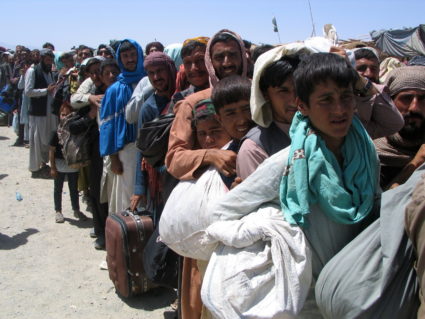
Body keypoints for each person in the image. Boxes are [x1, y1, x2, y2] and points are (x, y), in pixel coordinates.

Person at [207, 53, 380, 315]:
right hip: (309, 299)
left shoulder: (366, 153)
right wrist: (272, 225)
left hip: (357, 285)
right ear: (303, 106)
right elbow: (221, 213)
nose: (339, 110)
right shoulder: (287, 165)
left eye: (345, 97)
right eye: (325, 100)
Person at [165, 29, 247, 181]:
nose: (227, 62)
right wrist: (210, 155)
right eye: (219, 57)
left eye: (233, 55)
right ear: (210, 62)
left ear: (243, 57)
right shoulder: (192, 103)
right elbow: (174, 159)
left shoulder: (257, 93)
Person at [99, 39, 145, 213]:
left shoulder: (150, 81)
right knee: (128, 196)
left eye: (133, 55)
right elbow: (107, 128)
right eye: (125, 56)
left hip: (150, 148)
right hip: (127, 151)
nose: (130, 59)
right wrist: (114, 159)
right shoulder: (114, 90)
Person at [130, 51, 177, 217]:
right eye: (151, 73)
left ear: (170, 69)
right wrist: (139, 188)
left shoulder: (183, 97)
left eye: (160, 71)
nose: (156, 77)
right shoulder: (148, 108)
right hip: (162, 177)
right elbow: (142, 150)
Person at [374, 65, 425, 189]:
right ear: (390, 102)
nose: (414, 108)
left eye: (423, 99)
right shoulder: (370, 153)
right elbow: (375, 205)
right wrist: (416, 162)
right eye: (406, 98)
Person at [49, 103, 87, 223]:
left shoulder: (76, 131)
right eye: (63, 114)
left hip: (73, 165)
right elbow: (51, 151)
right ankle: (58, 211)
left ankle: (76, 210)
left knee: (74, 189)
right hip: (59, 165)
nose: (65, 117)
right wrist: (53, 167)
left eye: (68, 114)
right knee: (58, 189)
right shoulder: (56, 132)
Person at [25, 48, 59, 178]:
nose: (49, 62)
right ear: (42, 59)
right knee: (37, 141)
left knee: (47, 140)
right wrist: (46, 90)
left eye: (51, 60)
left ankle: (44, 165)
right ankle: (35, 168)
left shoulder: (49, 72)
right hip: (38, 113)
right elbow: (28, 92)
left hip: (49, 111)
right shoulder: (32, 71)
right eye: (47, 59)